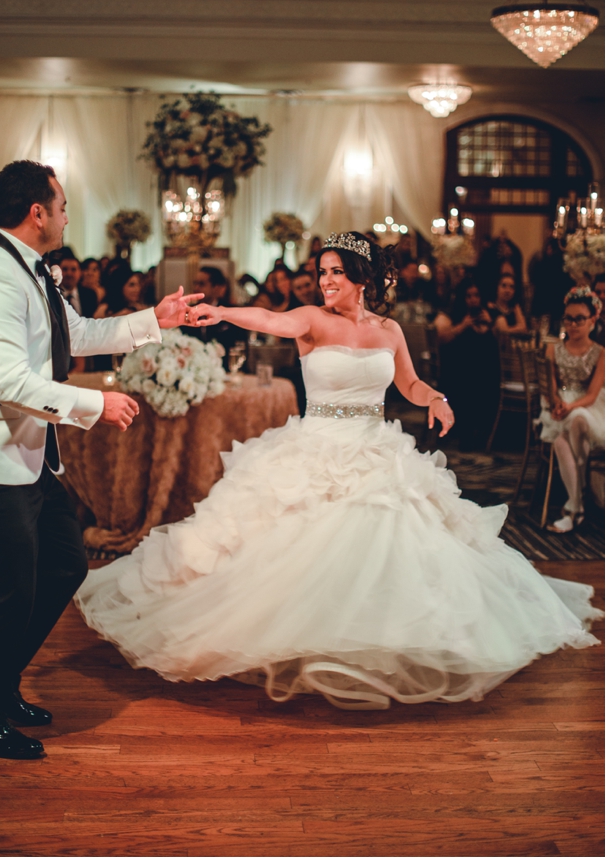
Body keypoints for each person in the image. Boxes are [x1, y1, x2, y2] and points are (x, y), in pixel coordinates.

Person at [76, 231, 601, 713]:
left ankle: (381, 641)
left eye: (336, 272)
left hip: (375, 449)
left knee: (390, 545)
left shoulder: (390, 330)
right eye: (322, 271)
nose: (326, 280)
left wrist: (435, 398)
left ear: (362, 278)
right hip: (315, 445)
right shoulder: (311, 318)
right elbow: (271, 319)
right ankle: (295, 641)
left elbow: (410, 385)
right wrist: (221, 311)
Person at [0, 160, 200, 760]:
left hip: (27, 454)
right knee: (8, 590)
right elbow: (9, 380)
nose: (65, 216)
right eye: (60, 207)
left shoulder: (30, 269)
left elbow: (75, 335)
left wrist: (153, 322)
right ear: (37, 213)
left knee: (64, 564)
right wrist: (97, 403)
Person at [537, 287, 605, 533]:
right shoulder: (553, 348)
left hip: (587, 407)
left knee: (577, 421)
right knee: (561, 442)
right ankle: (578, 503)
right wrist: (557, 403)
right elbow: (550, 387)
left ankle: (573, 508)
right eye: (569, 318)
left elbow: (592, 394)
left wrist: (570, 407)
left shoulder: (601, 353)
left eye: (579, 319)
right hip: (560, 406)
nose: (573, 324)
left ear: (593, 320)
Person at [435, 278, 500, 450]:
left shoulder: (488, 313)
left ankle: (484, 435)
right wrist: (463, 325)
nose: (473, 299)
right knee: (469, 383)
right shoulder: (454, 314)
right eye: (469, 296)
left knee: (485, 381)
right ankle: (467, 435)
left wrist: (490, 324)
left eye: (476, 295)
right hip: (459, 371)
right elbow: (442, 338)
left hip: (484, 372)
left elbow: (499, 344)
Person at [180, 266, 245, 366]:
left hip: (225, 369)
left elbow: (239, 346)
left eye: (202, 284)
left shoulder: (229, 311)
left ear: (216, 288)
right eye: (195, 283)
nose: (196, 288)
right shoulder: (188, 311)